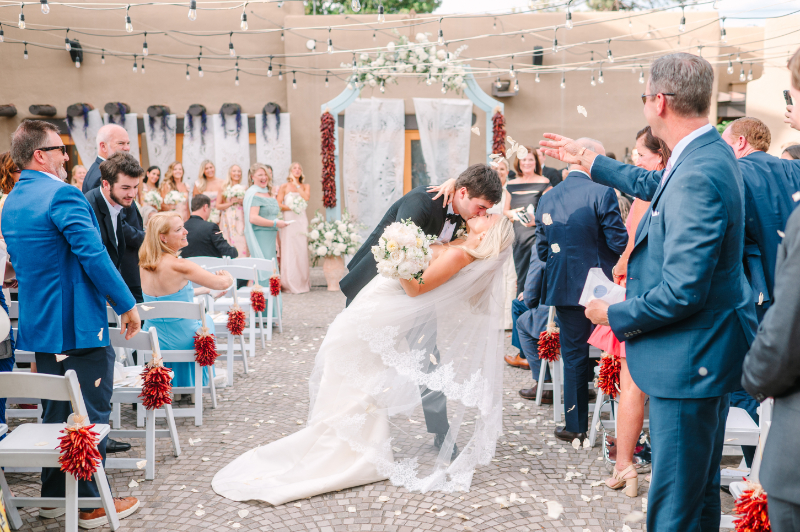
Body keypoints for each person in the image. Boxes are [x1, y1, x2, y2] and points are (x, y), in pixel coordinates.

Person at [541, 53, 758, 531]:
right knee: (697, 497)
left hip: (687, 362)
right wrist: (590, 162)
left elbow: (683, 291)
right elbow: (655, 183)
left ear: (659, 101)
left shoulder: (699, 169)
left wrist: (612, 313)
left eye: (644, 97)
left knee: (673, 510)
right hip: (701, 355)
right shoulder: (705, 152)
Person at [213, 214, 514, 505]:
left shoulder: (460, 255)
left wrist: (398, 258)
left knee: (347, 361)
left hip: (385, 311)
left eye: (489, 216)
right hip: (380, 303)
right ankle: (351, 445)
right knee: (347, 364)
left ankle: (351, 451)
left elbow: (417, 289)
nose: (484, 213)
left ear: (487, 234)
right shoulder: (460, 243)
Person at [4, 120, 141, 527]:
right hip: (79, 327)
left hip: (40, 326)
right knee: (87, 416)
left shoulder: (12, 201)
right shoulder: (62, 195)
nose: (67, 155)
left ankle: (51, 499)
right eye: (59, 148)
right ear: (39, 155)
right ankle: (86, 504)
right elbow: (94, 254)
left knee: (55, 413)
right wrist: (126, 304)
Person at [342, 164, 502, 451]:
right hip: (377, 288)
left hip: (418, 293)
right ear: (462, 193)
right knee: (362, 357)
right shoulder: (422, 203)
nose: (481, 214)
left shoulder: (466, 212)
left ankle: (441, 433)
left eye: (485, 211)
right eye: (480, 207)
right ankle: (351, 424)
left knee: (428, 357)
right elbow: (397, 247)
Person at [588, 126, 668, 494]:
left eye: (641, 154)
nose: (636, 160)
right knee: (642, 386)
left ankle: (626, 467)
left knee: (632, 386)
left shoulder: (647, 195)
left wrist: (620, 269)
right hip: (649, 293)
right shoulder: (661, 192)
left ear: (660, 157)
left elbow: (633, 247)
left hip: (641, 297)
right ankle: (634, 466)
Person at [534, 137, 628, 443]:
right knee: (613, 351)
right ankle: (620, 420)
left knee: (573, 355)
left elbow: (542, 249)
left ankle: (575, 426)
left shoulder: (548, 197)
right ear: (587, 159)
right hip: (601, 290)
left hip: (564, 286)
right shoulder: (603, 192)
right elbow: (618, 243)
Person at [139, 212, 232, 388]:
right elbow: (221, 283)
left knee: (187, 325)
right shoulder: (180, 266)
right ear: (163, 237)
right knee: (207, 322)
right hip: (184, 338)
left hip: (153, 339)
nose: (186, 232)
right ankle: (195, 383)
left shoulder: (144, 264)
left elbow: (168, 297)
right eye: (179, 229)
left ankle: (177, 384)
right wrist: (228, 277)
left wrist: (203, 291)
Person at [503, 148, 551, 293]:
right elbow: (505, 211)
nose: (527, 162)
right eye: (524, 159)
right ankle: (521, 307)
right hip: (518, 235)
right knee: (520, 272)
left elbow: (550, 212)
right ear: (518, 162)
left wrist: (535, 221)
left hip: (536, 234)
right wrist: (515, 213)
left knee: (535, 271)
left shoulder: (544, 182)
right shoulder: (511, 184)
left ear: (536, 161)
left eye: (530, 159)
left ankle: (534, 304)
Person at [244, 164, 286, 318]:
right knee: (263, 273)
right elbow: (253, 218)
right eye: (260, 174)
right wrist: (275, 223)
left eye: (266, 174)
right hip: (261, 239)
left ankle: (273, 315)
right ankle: (262, 316)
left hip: (270, 239)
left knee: (272, 273)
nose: (263, 178)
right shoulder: (254, 194)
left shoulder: (267, 193)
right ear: (252, 177)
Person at [487, 159, 518, 331]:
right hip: (489, 239)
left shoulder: (511, 191)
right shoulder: (486, 191)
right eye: (495, 169)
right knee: (491, 278)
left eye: (502, 169)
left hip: (508, 237)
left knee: (509, 277)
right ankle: (492, 317)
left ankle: (507, 320)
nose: (499, 172)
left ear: (507, 171)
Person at [276, 162, 311, 294]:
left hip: (301, 220)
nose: (297, 170)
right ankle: (289, 282)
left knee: (301, 249)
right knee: (289, 249)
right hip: (289, 220)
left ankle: (302, 282)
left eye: (299, 168)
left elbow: (306, 198)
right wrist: (291, 208)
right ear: (290, 171)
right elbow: (279, 204)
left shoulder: (305, 186)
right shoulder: (284, 186)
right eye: (294, 168)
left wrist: (296, 184)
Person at [182, 194, 239, 260]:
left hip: (188, 268)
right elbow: (229, 252)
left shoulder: (183, 227)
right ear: (205, 207)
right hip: (211, 268)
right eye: (210, 209)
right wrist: (234, 250)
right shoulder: (211, 227)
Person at [81, 123, 131, 193]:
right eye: (121, 143)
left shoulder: (103, 170)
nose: (127, 148)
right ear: (103, 146)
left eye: (128, 143)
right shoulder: (102, 176)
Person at [216, 164, 249, 257]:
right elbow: (218, 206)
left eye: (239, 171)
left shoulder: (245, 188)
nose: (237, 173)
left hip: (241, 217)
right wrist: (231, 203)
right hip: (228, 218)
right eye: (234, 171)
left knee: (242, 239)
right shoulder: (223, 187)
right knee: (228, 240)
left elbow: (248, 204)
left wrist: (240, 201)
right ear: (230, 173)